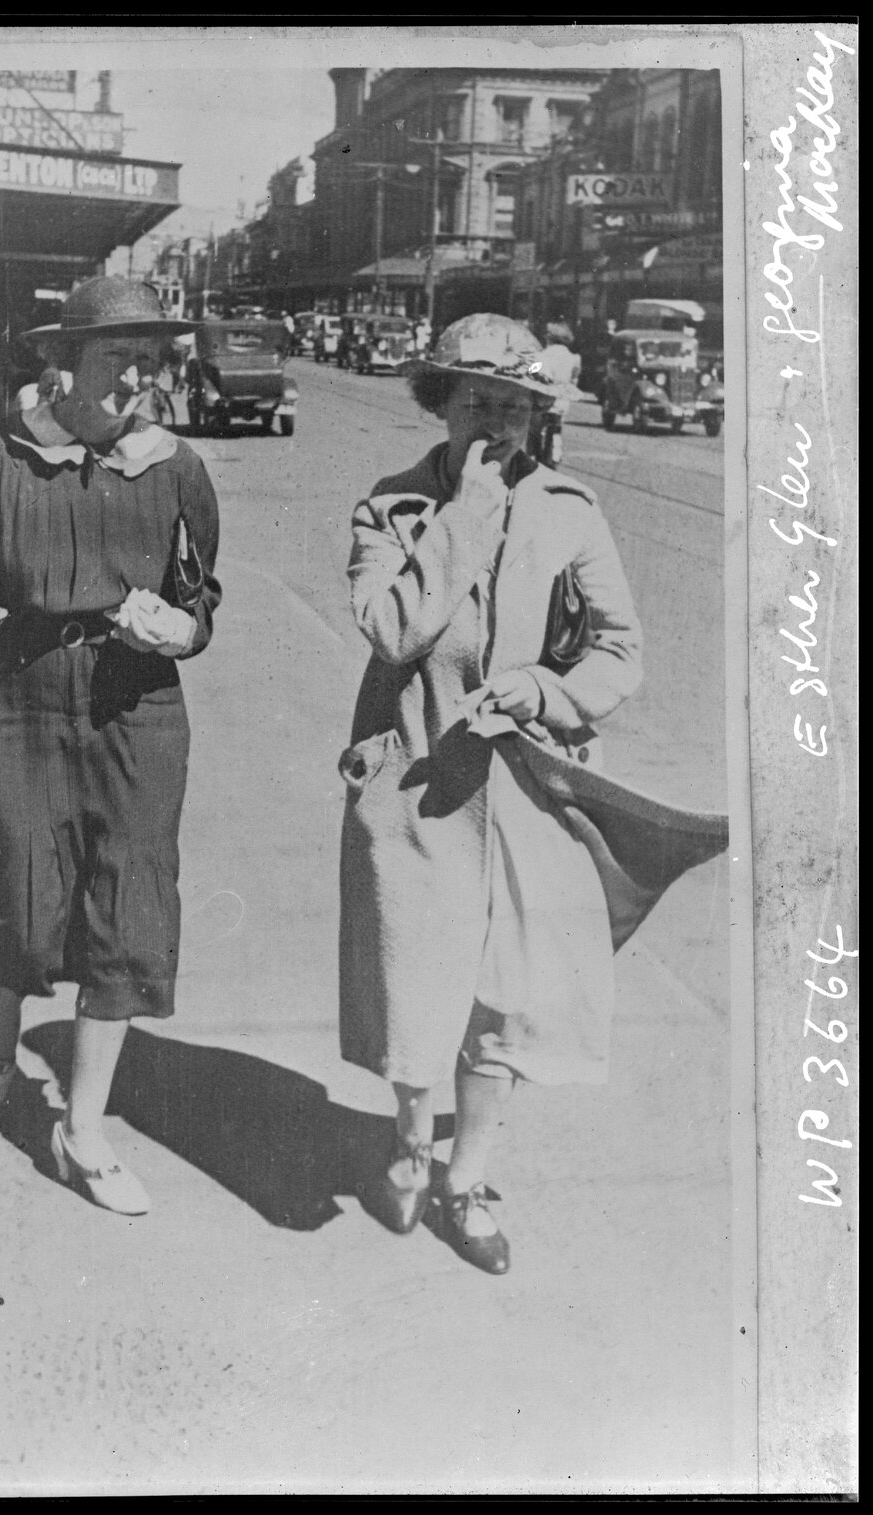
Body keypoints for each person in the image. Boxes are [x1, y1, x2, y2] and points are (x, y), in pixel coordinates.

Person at [0, 277, 221, 1217]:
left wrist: (181, 632)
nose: (136, 382)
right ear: (63, 362)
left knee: (130, 895)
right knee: (30, 892)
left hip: (137, 704)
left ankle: (84, 1128)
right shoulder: (0, 455)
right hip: (26, 695)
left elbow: (200, 592)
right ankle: (2, 1006)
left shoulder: (175, 465)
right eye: (118, 360)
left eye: (147, 362)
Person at [337, 313, 643, 1274]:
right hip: (418, 781)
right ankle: (408, 1145)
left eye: (516, 409)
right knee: (417, 994)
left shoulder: (568, 508)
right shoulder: (390, 510)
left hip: (524, 790)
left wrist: (548, 690)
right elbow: (392, 631)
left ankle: (465, 1183)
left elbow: (619, 648)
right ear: (440, 405)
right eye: (479, 405)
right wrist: (464, 516)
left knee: (504, 1003)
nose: (499, 427)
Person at [533, 320, 582, 465]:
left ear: (549, 337)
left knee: (535, 428)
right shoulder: (574, 358)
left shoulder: (542, 355)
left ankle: (533, 455)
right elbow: (574, 379)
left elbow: (531, 372)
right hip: (562, 400)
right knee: (557, 426)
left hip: (543, 397)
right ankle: (556, 453)